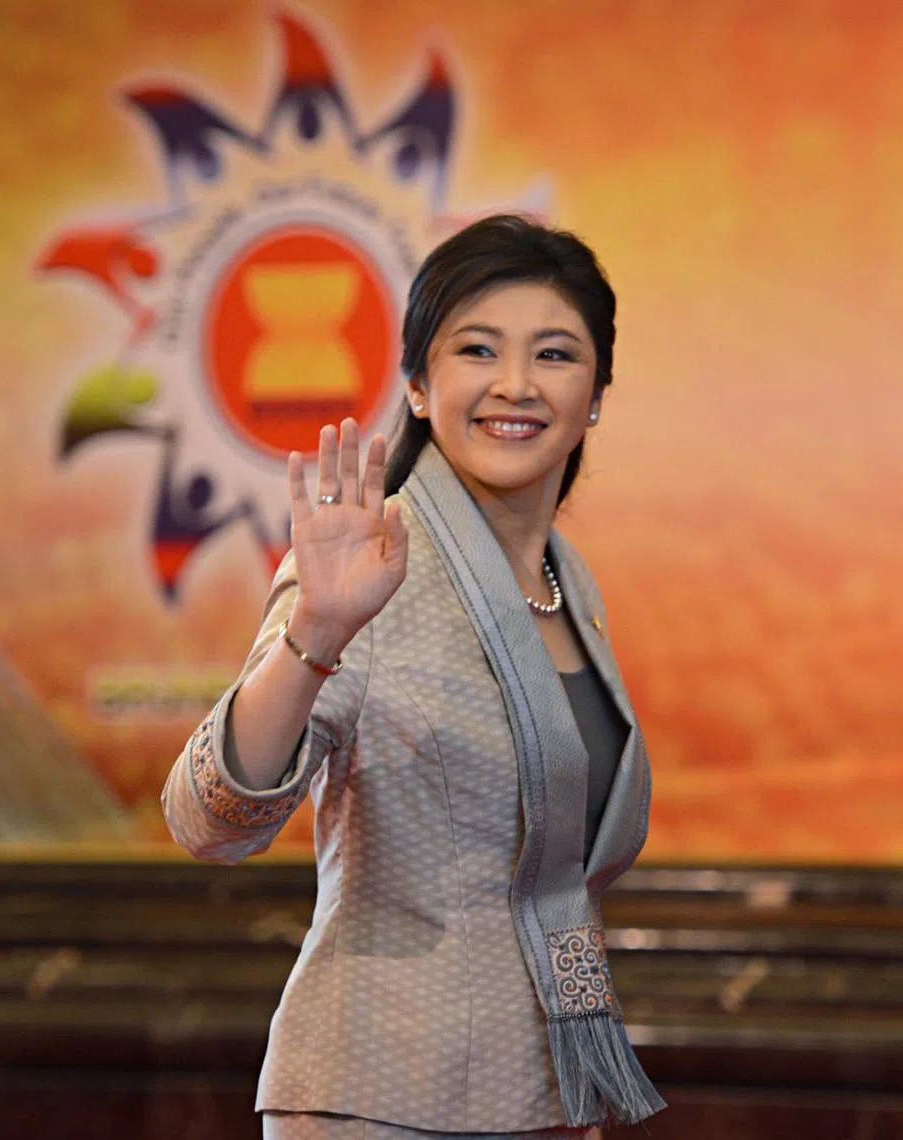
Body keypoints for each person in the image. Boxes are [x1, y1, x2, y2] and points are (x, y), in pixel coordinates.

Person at [162, 215, 665, 1139]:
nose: (516, 384)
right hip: (378, 1096)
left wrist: (576, 1097)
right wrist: (317, 629)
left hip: (543, 1093)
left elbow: (560, 884)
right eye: (478, 349)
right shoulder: (370, 565)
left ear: (595, 395)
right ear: (420, 387)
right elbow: (208, 822)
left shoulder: (571, 581)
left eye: (555, 354)